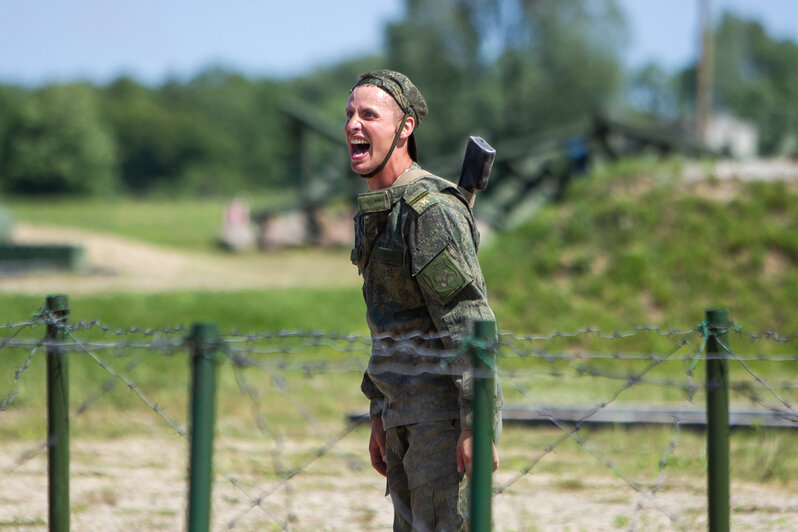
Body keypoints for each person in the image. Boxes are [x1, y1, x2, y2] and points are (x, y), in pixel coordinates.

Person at [346, 69, 501, 531]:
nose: (354, 124)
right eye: (350, 114)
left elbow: (470, 324)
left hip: (441, 420)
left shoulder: (430, 212)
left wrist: (476, 425)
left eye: (369, 115)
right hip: (402, 417)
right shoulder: (380, 212)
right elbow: (389, 323)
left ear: (405, 127)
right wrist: (380, 410)